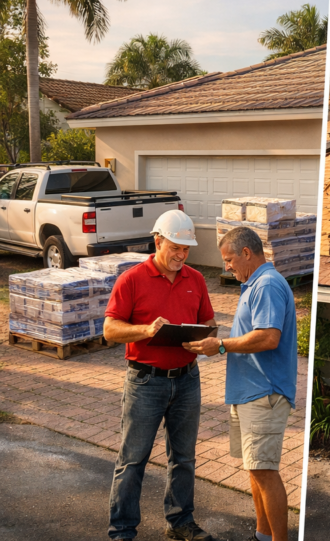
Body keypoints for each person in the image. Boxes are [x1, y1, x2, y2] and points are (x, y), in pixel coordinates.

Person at [104, 210, 216, 541]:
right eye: (175, 248)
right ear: (158, 242)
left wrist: (208, 339)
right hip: (145, 382)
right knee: (133, 460)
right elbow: (110, 329)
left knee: (183, 458)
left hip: (186, 379)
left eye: (186, 250)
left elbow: (209, 322)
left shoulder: (195, 279)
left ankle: (180, 522)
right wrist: (145, 330)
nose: (181, 256)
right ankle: (122, 530)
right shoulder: (132, 279)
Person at [185, 227, 298, 541]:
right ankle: (262, 535)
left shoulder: (267, 285)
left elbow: (268, 337)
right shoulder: (253, 285)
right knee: (254, 468)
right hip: (249, 393)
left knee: (264, 471)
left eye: (230, 259)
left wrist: (221, 346)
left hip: (264, 393)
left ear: (247, 253)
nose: (227, 266)